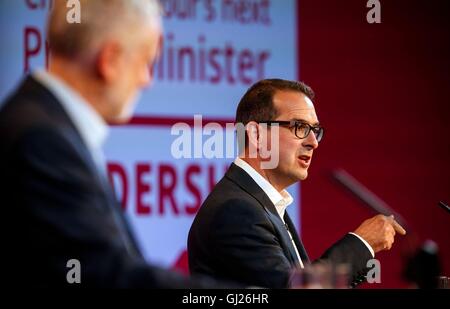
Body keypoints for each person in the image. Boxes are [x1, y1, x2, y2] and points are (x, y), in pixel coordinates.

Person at [0, 0, 235, 288]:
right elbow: (109, 276)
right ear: (109, 60)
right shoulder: (41, 139)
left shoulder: (41, 123)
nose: (147, 81)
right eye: (147, 62)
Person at [188, 79, 406, 288]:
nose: (313, 142)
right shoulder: (236, 211)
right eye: (299, 127)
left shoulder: (260, 204)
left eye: (315, 130)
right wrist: (361, 244)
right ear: (256, 135)